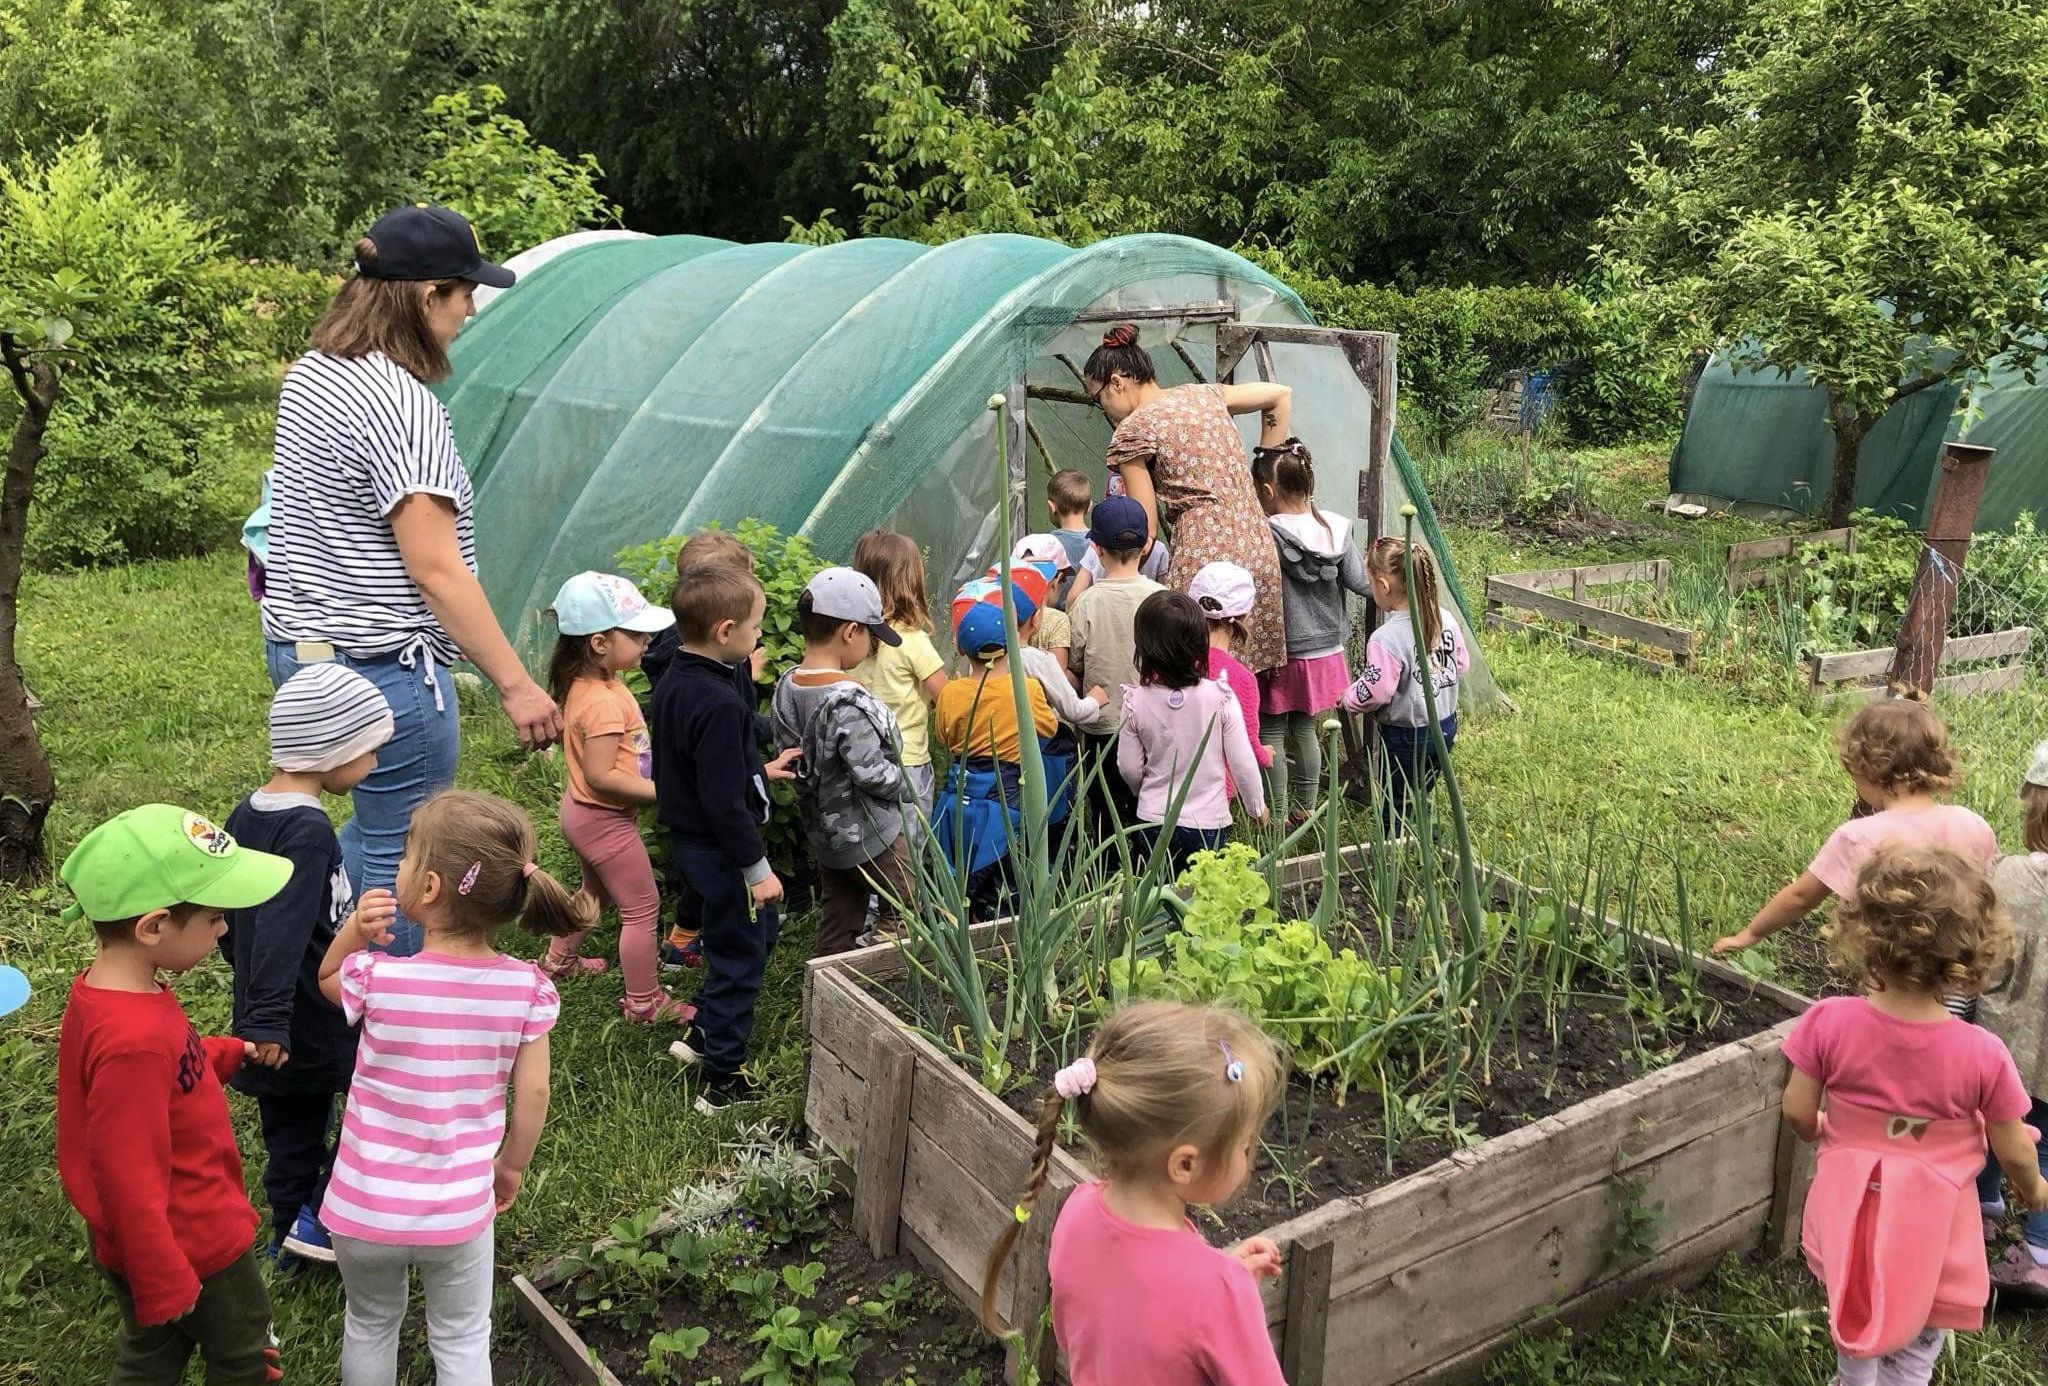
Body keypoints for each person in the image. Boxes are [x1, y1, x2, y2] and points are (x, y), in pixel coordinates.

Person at [259, 204, 558, 958]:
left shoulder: (312, 375)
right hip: (383, 673)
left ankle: (328, 965)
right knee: (409, 860)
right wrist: (517, 685)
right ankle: (381, 1023)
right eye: (465, 296)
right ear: (427, 297)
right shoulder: (405, 406)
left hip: (301, 654)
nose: (467, 315)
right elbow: (435, 568)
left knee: (369, 824)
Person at [317, 790, 586, 1384]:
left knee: (370, 1321)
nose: (399, 865)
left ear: (430, 888)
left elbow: (328, 977)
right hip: (458, 1210)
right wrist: (510, 1167)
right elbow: (533, 1097)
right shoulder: (525, 989)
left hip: (363, 1205)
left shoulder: (377, 977)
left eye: (408, 855)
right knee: (463, 1338)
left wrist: (354, 933)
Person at [1780, 842, 2048, 1386]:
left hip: (1852, 1204)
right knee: (1925, 1312)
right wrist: (2034, 1189)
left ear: (1862, 935)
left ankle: (1854, 1376)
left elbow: (1797, 1111)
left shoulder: (1827, 1022)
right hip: (1933, 1219)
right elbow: (2014, 1146)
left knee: (1854, 1293)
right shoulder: (1982, 1053)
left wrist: (1823, 1131)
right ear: (1970, 959)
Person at [56, 805, 295, 1384]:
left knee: (152, 1353)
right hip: (190, 1238)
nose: (223, 929)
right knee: (243, 1357)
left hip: (147, 1242)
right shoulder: (132, 1041)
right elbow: (125, 1170)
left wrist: (221, 1053)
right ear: (154, 927)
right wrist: (161, 1273)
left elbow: (161, 1079)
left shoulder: (112, 996)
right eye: (215, 917)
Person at [982, 1001, 1287, 1385]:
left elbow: (1094, 1326)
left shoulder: (1076, 1213)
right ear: (1185, 1165)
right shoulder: (1218, 1295)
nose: (1251, 1153)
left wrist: (1224, 1278)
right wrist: (1226, 1295)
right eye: (1245, 1144)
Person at [223, 663, 394, 1269]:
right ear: (334, 750)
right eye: (370, 751)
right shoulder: (309, 831)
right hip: (311, 1013)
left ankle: (286, 1236)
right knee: (381, 1104)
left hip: (266, 1011)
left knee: (290, 1133)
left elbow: (233, 911)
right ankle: (321, 1217)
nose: (374, 765)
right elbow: (282, 928)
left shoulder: (248, 813)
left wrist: (251, 1000)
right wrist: (269, 1018)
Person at [655, 563, 799, 1112]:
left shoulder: (678, 679)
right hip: (722, 850)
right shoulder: (718, 702)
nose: (759, 635)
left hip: (694, 844)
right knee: (742, 956)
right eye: (755, 626)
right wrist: (756, 870)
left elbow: (700, 773)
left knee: (750, 937)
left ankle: (703, 1034)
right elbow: (720, 800)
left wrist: (759, 770)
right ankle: (724, 1079)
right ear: (725, 630)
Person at [1712, 694, 1997, 965]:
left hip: (1892, 975)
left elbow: (1801, 897)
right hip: (1958, 970)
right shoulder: (1972, 824)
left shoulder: (1859, 836)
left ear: (1868, 769)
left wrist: (1749, 934)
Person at [1085, 324, 1292, 672]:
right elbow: (1280, 394)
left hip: (1204, 549)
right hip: (1256, 540)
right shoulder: (1204, 395)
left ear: (1117, 382)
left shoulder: (1133, 430)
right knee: (1243, 674)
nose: (1102, 406)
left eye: (1098, 397)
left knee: (1192, 665)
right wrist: (1261, 471)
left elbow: (1144, 526)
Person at [541, 571, 694, 1022]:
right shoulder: (604, 701)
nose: (648, 639)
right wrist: (664, 792)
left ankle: (558, 962)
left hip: (583, 813)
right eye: (636, 633)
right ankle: (644, 1003)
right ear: (599, 644)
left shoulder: (594, 684)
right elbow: (602, 775)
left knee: (594, 890)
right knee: (643, 909)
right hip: (602, 817)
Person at [772, 568, 915, 957]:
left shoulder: (787, 686)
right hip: (872, 835)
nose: (870, 645)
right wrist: (908, 786)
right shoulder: (849, 702)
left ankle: (827, 984)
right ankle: (891, 982)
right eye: (869, 635)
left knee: (841, 913)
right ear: (850, 632)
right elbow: (871, 773)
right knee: (903, 913)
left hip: (825, 836)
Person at [647, 530, 763, 970]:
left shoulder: (680, 664)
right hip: (709, 816)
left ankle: (703, 932)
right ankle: (699, 944)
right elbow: (722, 790)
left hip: (690, 808)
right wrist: (757, 869)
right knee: (718, 892)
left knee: (705, 875)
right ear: (725, 626)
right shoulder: (715, 692)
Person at [1254, 440, 1369, 823]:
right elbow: (1358, 580)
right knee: (1305, 727)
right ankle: (1305, 810)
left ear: (1267, 491)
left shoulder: (1266, 533)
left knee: (1271, 728)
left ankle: (1278, 813)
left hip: (1284, 649)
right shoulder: (1335, 527)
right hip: (1326, 649)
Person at [1119, 592, 1267, 878]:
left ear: (1143, 646)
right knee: (1204, 895)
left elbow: (1128, 766)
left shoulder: (1135, 702)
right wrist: (1256, 806)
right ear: (1200, 645)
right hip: (1208, 821)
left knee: (1157, 892)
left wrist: (1144, 790)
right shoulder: (1220, 697)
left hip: (1152, 818)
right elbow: (1242, 762)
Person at [934, 586, 1060, 920]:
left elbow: (944, 736)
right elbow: (1048, 729)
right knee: (1005, 872)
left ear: (961, 649)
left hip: (959, 794)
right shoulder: (1026, 689)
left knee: (960, 870)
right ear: (1010, 643)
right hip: (1006, 794)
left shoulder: (951, 692)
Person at [1979, 740, 2048, 1294]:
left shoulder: (2009, 876)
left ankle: (1981, 1207)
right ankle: (2042, 1253)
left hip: (2009, 1040)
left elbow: (1984, 954)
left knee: (1991, 1126)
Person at [1341, 537, 1468, 831]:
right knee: (1420, 788)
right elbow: (1461, 664)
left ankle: (1397, 857)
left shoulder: (1387, 638)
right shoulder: (1444, 619)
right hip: (1445, 727)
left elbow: (1377, 689)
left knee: (1396, 801)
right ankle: (1422, 834)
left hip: (1405, 736)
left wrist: (1348, 698)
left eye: (1372, 583)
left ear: (1383, 586)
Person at [1069, 497, 1165, 830]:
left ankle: (1106, 875)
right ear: (1146, 546)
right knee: (1151, 804)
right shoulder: (1161, 598)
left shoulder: (1086, 602)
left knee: (1104, 808)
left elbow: (1076, 662)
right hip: (1156, 723)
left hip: (1104, 723)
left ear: (1096, 549)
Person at [852, 529, 948, 842]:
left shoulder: (852, 639)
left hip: (863, 761)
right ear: (910, 582)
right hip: (908, 764)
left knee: (873, 850)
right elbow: (946, 697)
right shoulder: (912, 641)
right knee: (910, 850)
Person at [1188, 561, 1274, 800]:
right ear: (1244, 614)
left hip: (1168, 782)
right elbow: (1246, 741)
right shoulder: (1240, 678)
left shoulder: (1173, 663)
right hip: (1214, 792)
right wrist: (1265, 756)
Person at [1013, 535, 1077, 678]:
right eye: (1063, 581)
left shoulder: (1001, 611)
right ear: (1057, 579)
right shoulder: (1057, 620)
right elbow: (1058, 677)